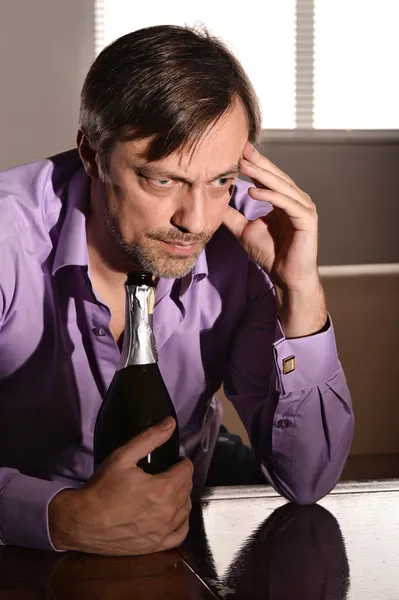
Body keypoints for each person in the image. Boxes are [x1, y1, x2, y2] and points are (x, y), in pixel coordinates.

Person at [0, 24, 354, 556]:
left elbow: (307, 480)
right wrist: (61, 517)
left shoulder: (254, 237)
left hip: (181, 510)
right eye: (162, 180)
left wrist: (300, 290)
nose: (196, 221)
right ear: (92, 153)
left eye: (221, 181)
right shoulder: (8, 237)